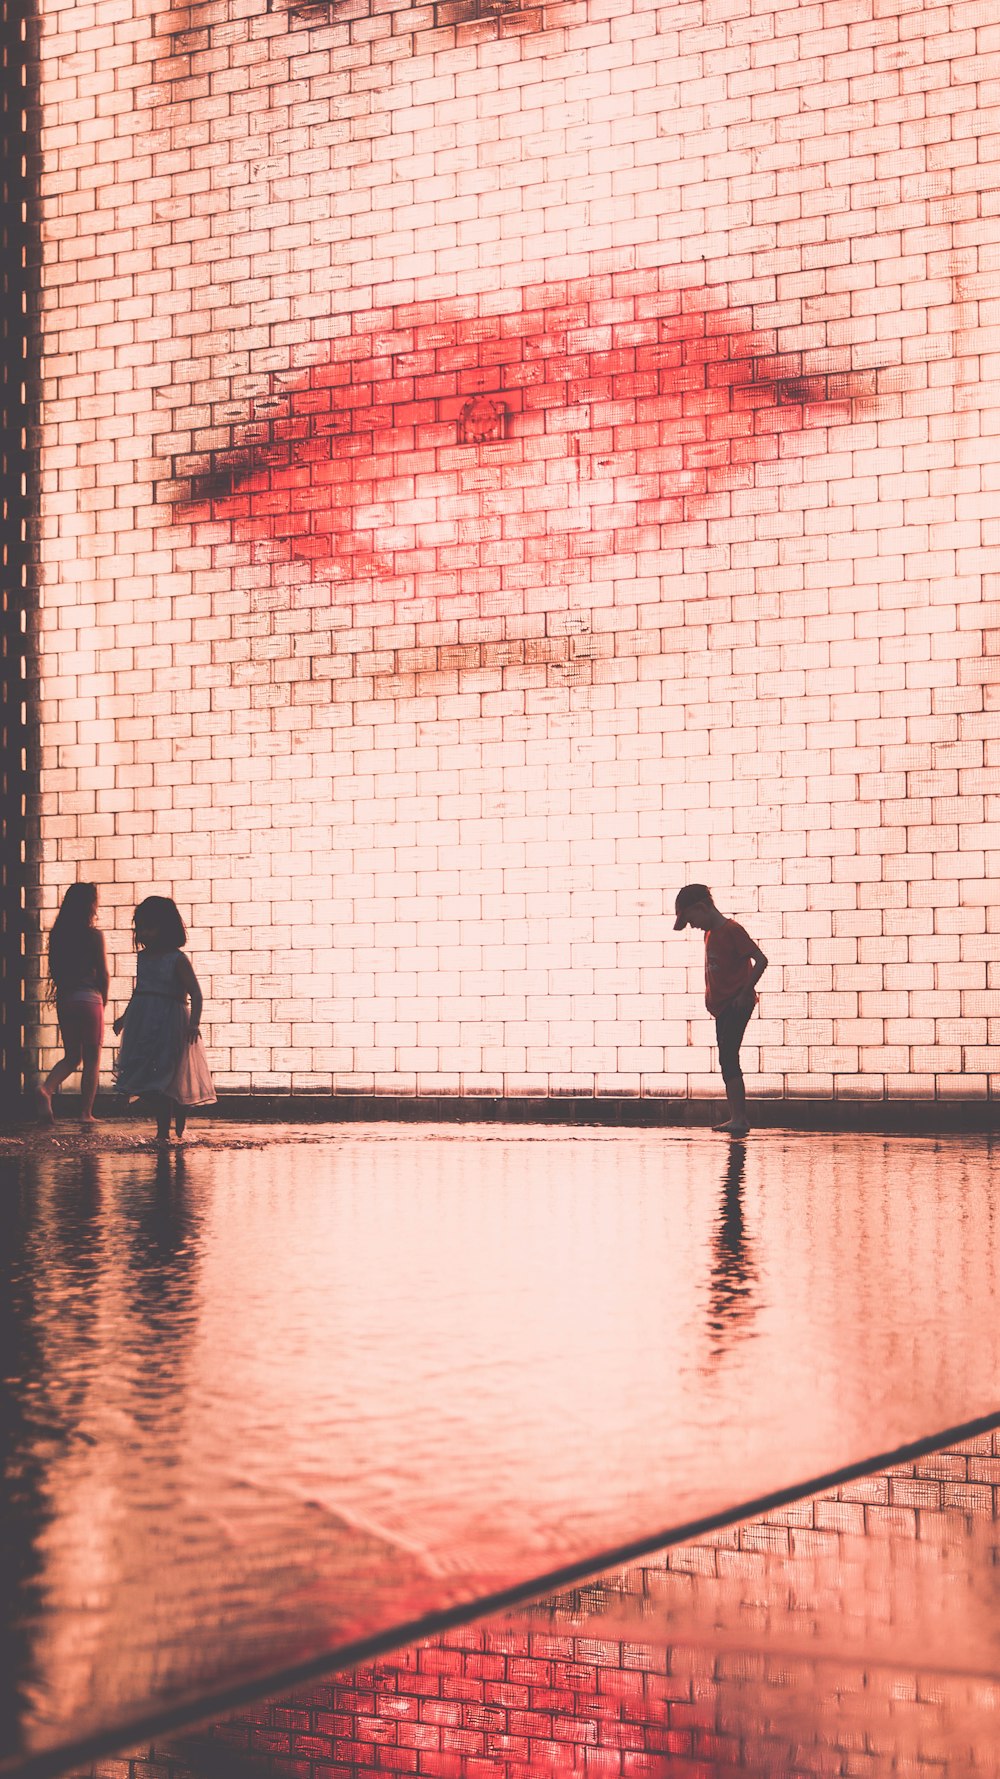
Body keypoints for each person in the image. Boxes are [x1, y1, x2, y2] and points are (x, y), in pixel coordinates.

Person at [113, 896, 216, 1141]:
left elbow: (196, 993)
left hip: (170, 1022)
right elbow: (139, 990)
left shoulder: (177, 959)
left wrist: (194, 1024)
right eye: (140, 928)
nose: (143, 933)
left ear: (166, 928)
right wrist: (125, 1017)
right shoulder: (143, 958)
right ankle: (177, 1106)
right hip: (144, 1020)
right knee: (140, 1076)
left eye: (150, 927)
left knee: (162, 1076)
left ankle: (163, 1133)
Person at [674, 884, 768, 1138]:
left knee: (729, 1058)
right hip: (723, 1007)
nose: (692, 926)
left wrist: (744, 991)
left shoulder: (731, 930)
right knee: (727, 1059)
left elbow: (761, 960)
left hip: (736, 1003)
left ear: (701, 908)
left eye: (691, 919)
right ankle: (736, 1117)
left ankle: (740, 1118)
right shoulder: (710, 934)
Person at [36, 882, 110, 1125]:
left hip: (66, 1000)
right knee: (91, 1059)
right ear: (90, 905)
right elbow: (102, 972)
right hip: (90, 1000)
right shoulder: (93, 935)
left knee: (71, 1056)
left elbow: (55, 971)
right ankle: (85, 1114)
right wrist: (104, 999)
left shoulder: (58, 936)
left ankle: (46, 1089)